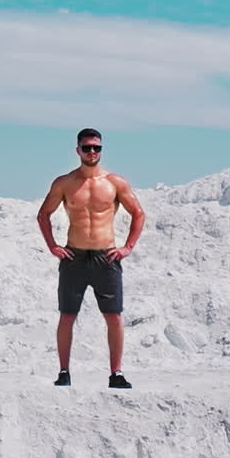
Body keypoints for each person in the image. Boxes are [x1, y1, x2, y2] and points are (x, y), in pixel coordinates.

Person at [36, 128, 145, 388]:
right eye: (87, 148)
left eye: (97, 147)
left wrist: (128, 247)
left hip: (106, 256)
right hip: (74, 255)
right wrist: (52, 246)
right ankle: (64, 372)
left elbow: (138, 213)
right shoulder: (64, 183)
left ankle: (116, 374)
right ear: (78, 150)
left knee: (114, 316)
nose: (92, 152)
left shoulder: (115, 182)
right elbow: (43, 214)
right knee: (67, 315)